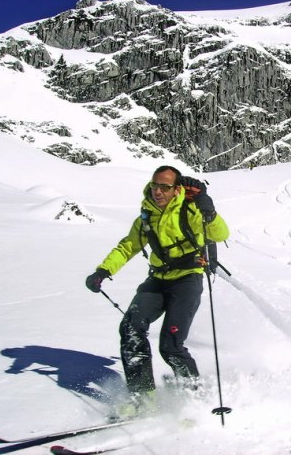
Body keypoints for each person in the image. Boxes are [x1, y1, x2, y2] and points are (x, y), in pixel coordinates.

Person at [84, 165, 229, 415]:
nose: (158, 191)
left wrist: (209, 209)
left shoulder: (191, 209)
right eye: (155, 185)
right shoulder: (147, 215)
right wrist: (103, 271)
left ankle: (193, 399)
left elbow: (220, 233)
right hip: (159, 279)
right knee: (131, 327)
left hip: (187, 280)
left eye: (165, 187)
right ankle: (143, 397)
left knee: (170, 345)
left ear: (176, 189)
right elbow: (128, 246)